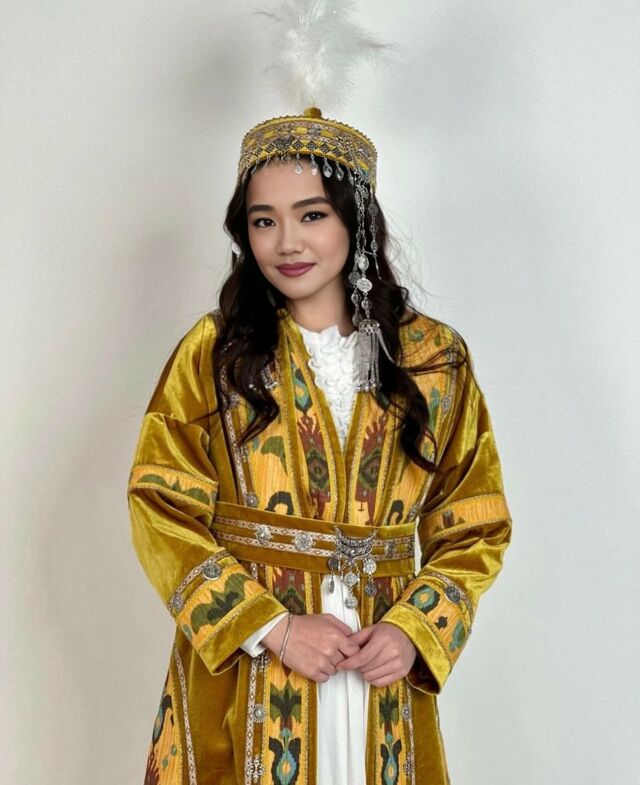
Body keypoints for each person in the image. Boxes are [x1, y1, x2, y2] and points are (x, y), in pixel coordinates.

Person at [127, 108, 512, 785]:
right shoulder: (216, 353)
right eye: (263, 220)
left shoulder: (433, 358)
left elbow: (474, 521)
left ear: (355, 220)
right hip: (252, 666)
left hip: (378, 663)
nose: (286, 242)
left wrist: (415, 629)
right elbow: (160, 506)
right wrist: (273, 628)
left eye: (311, 215)